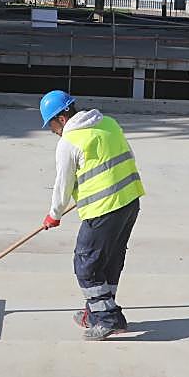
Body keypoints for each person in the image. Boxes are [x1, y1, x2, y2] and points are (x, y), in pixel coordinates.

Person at [39, 89, 145, 341]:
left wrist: (54, 215)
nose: (52, 131)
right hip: (130, 201)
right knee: (109, 260)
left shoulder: (69, 142)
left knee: (86, 264)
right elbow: (126, 157)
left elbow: (62, 184)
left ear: (62, 119)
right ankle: (96, 312)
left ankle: (109, 319)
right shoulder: (108, 123)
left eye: (51, 125)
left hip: (104, 209)